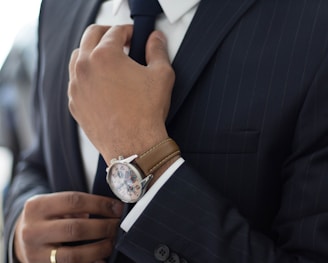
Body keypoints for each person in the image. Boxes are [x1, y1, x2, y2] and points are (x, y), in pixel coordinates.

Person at [4, 0, 328, 262]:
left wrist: (143, 155)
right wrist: (18, 234)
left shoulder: (315, 28)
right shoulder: (58, 7)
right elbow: (38, 159)